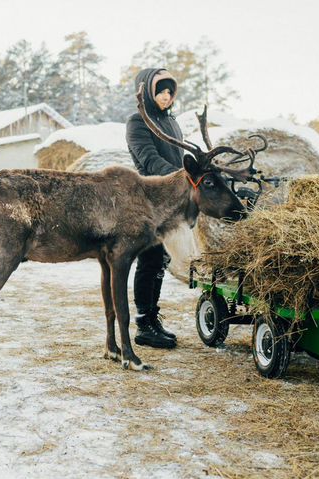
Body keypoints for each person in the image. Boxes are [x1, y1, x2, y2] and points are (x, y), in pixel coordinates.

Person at [125, 68, 183, 349]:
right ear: (146, 92)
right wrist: (181, 177)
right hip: (148, 200)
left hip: (170, 199)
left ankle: (152, 316)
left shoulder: (171, 122)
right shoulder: (138, 122)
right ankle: (144, 325)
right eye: (160, 90)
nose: (166, 96)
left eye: (170, 91)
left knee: (160, 260)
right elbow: (148, 160)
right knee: (149, 260)